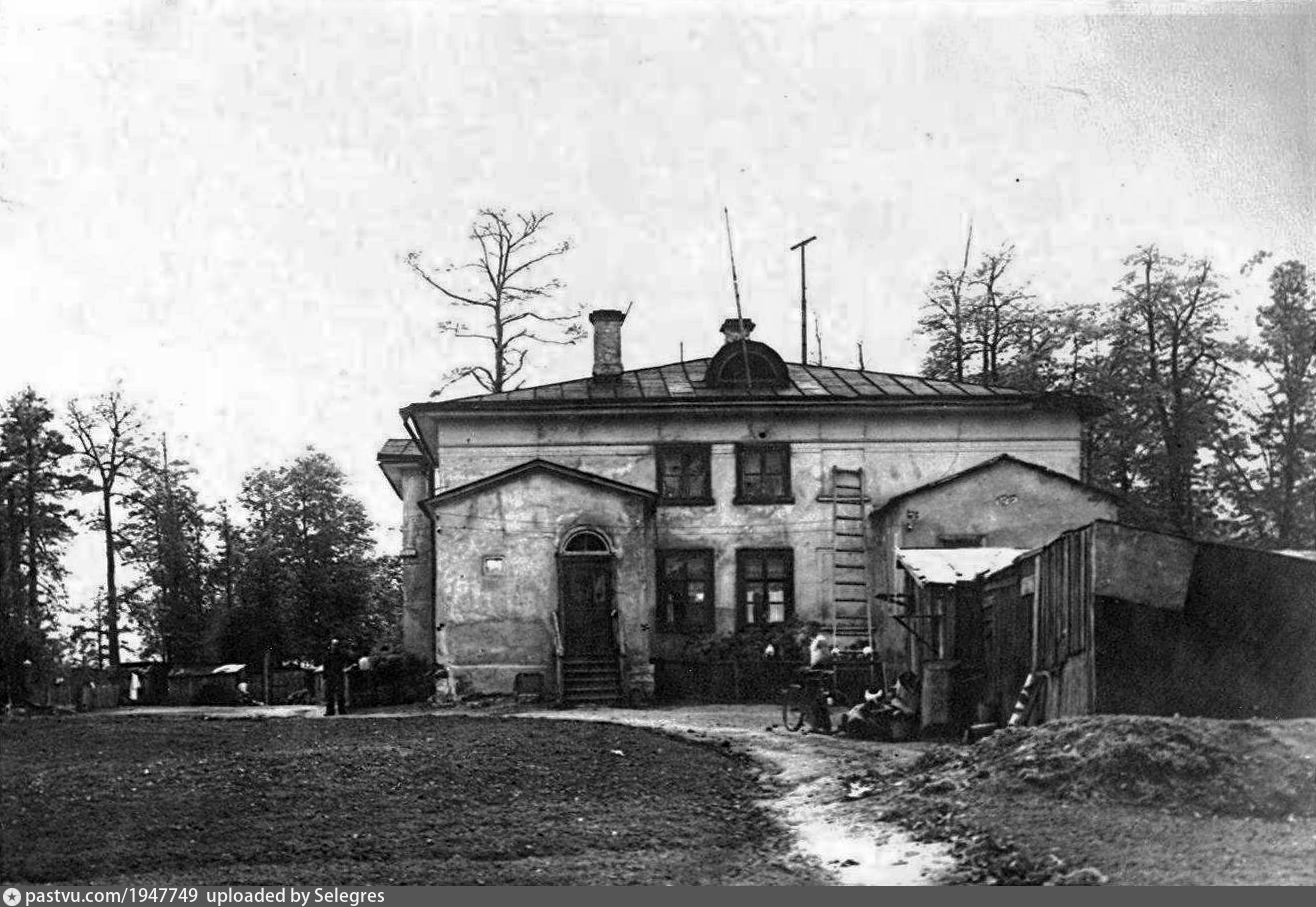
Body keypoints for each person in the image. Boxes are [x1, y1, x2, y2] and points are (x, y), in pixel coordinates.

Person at [322, 637, 350, 716]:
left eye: (336, 645)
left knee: (340, 693)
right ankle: (330, 710)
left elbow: (344, 663)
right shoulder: (327, 655)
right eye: (334, 645)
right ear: (331, 645)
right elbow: (325, 666)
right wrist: (325, 675)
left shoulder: (341, 655)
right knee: (329, 694)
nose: (335, 646)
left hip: (338, 675)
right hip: (330, 676)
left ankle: (342, 710)